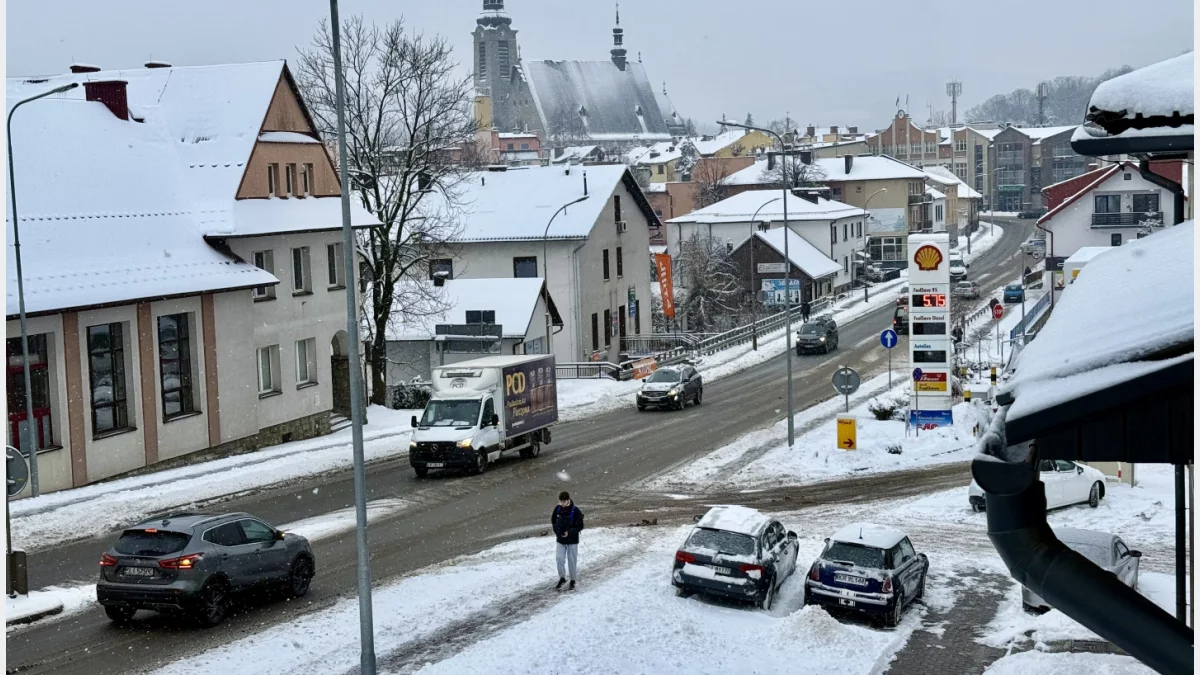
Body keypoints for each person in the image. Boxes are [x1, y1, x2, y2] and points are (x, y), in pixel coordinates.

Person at [551, 491, 584, 590]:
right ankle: (562, 578)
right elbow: (553, 521)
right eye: (560, 501)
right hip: (560, 540)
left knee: (572, 561)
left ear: (568, 500)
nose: (562, 504)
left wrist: (569, 533)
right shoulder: (557, 509)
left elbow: (580, 526)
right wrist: (557, 532)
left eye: (563, 502)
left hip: (572, 540)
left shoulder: (575, 510)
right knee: (559, 558)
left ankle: (573, 580)